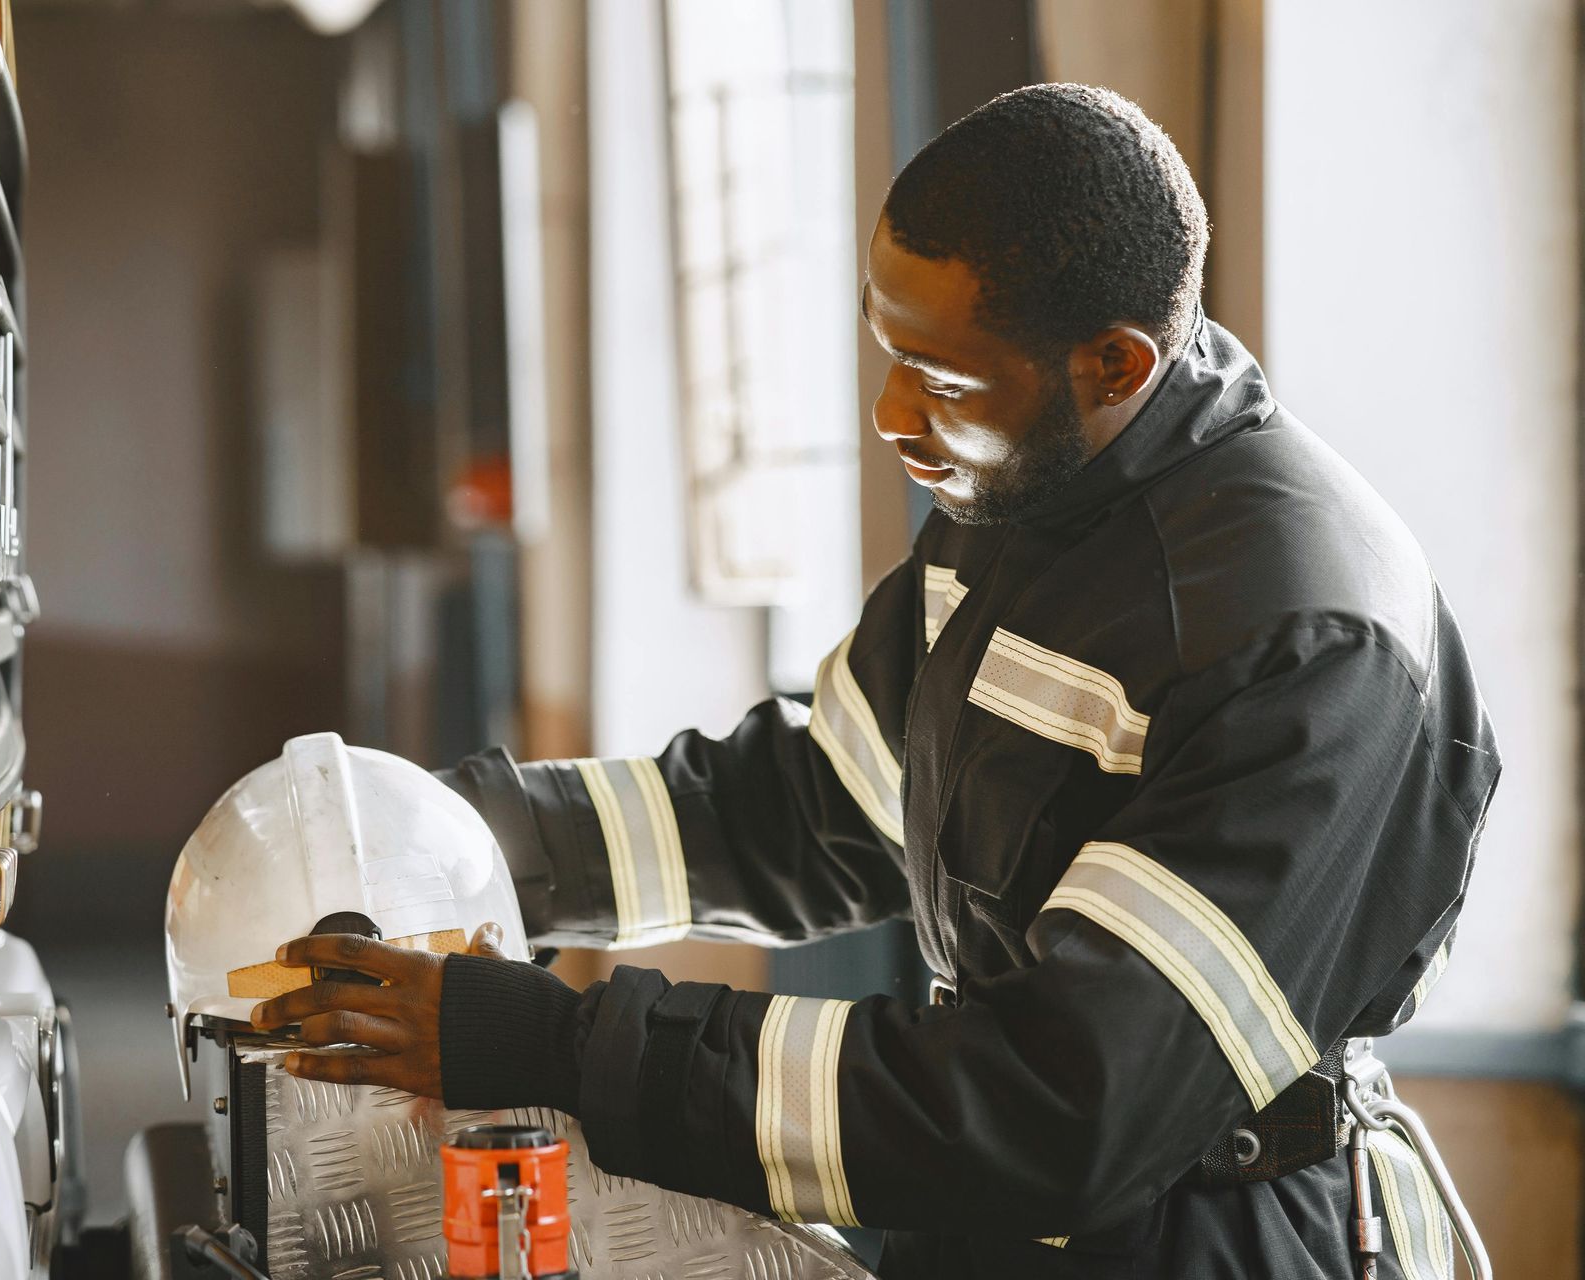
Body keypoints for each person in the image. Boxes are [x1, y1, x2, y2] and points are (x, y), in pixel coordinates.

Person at [250, 83, 1497, 1277]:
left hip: (1207, 1240)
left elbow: (1058, 1101)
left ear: (1115, 366)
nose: (894, 415)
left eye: (945, 382)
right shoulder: (1022, 491)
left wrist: (550, 1042)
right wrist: (462, 836)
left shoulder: (1304, 639)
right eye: (888, 350)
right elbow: (818, 803)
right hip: (985, 1228)